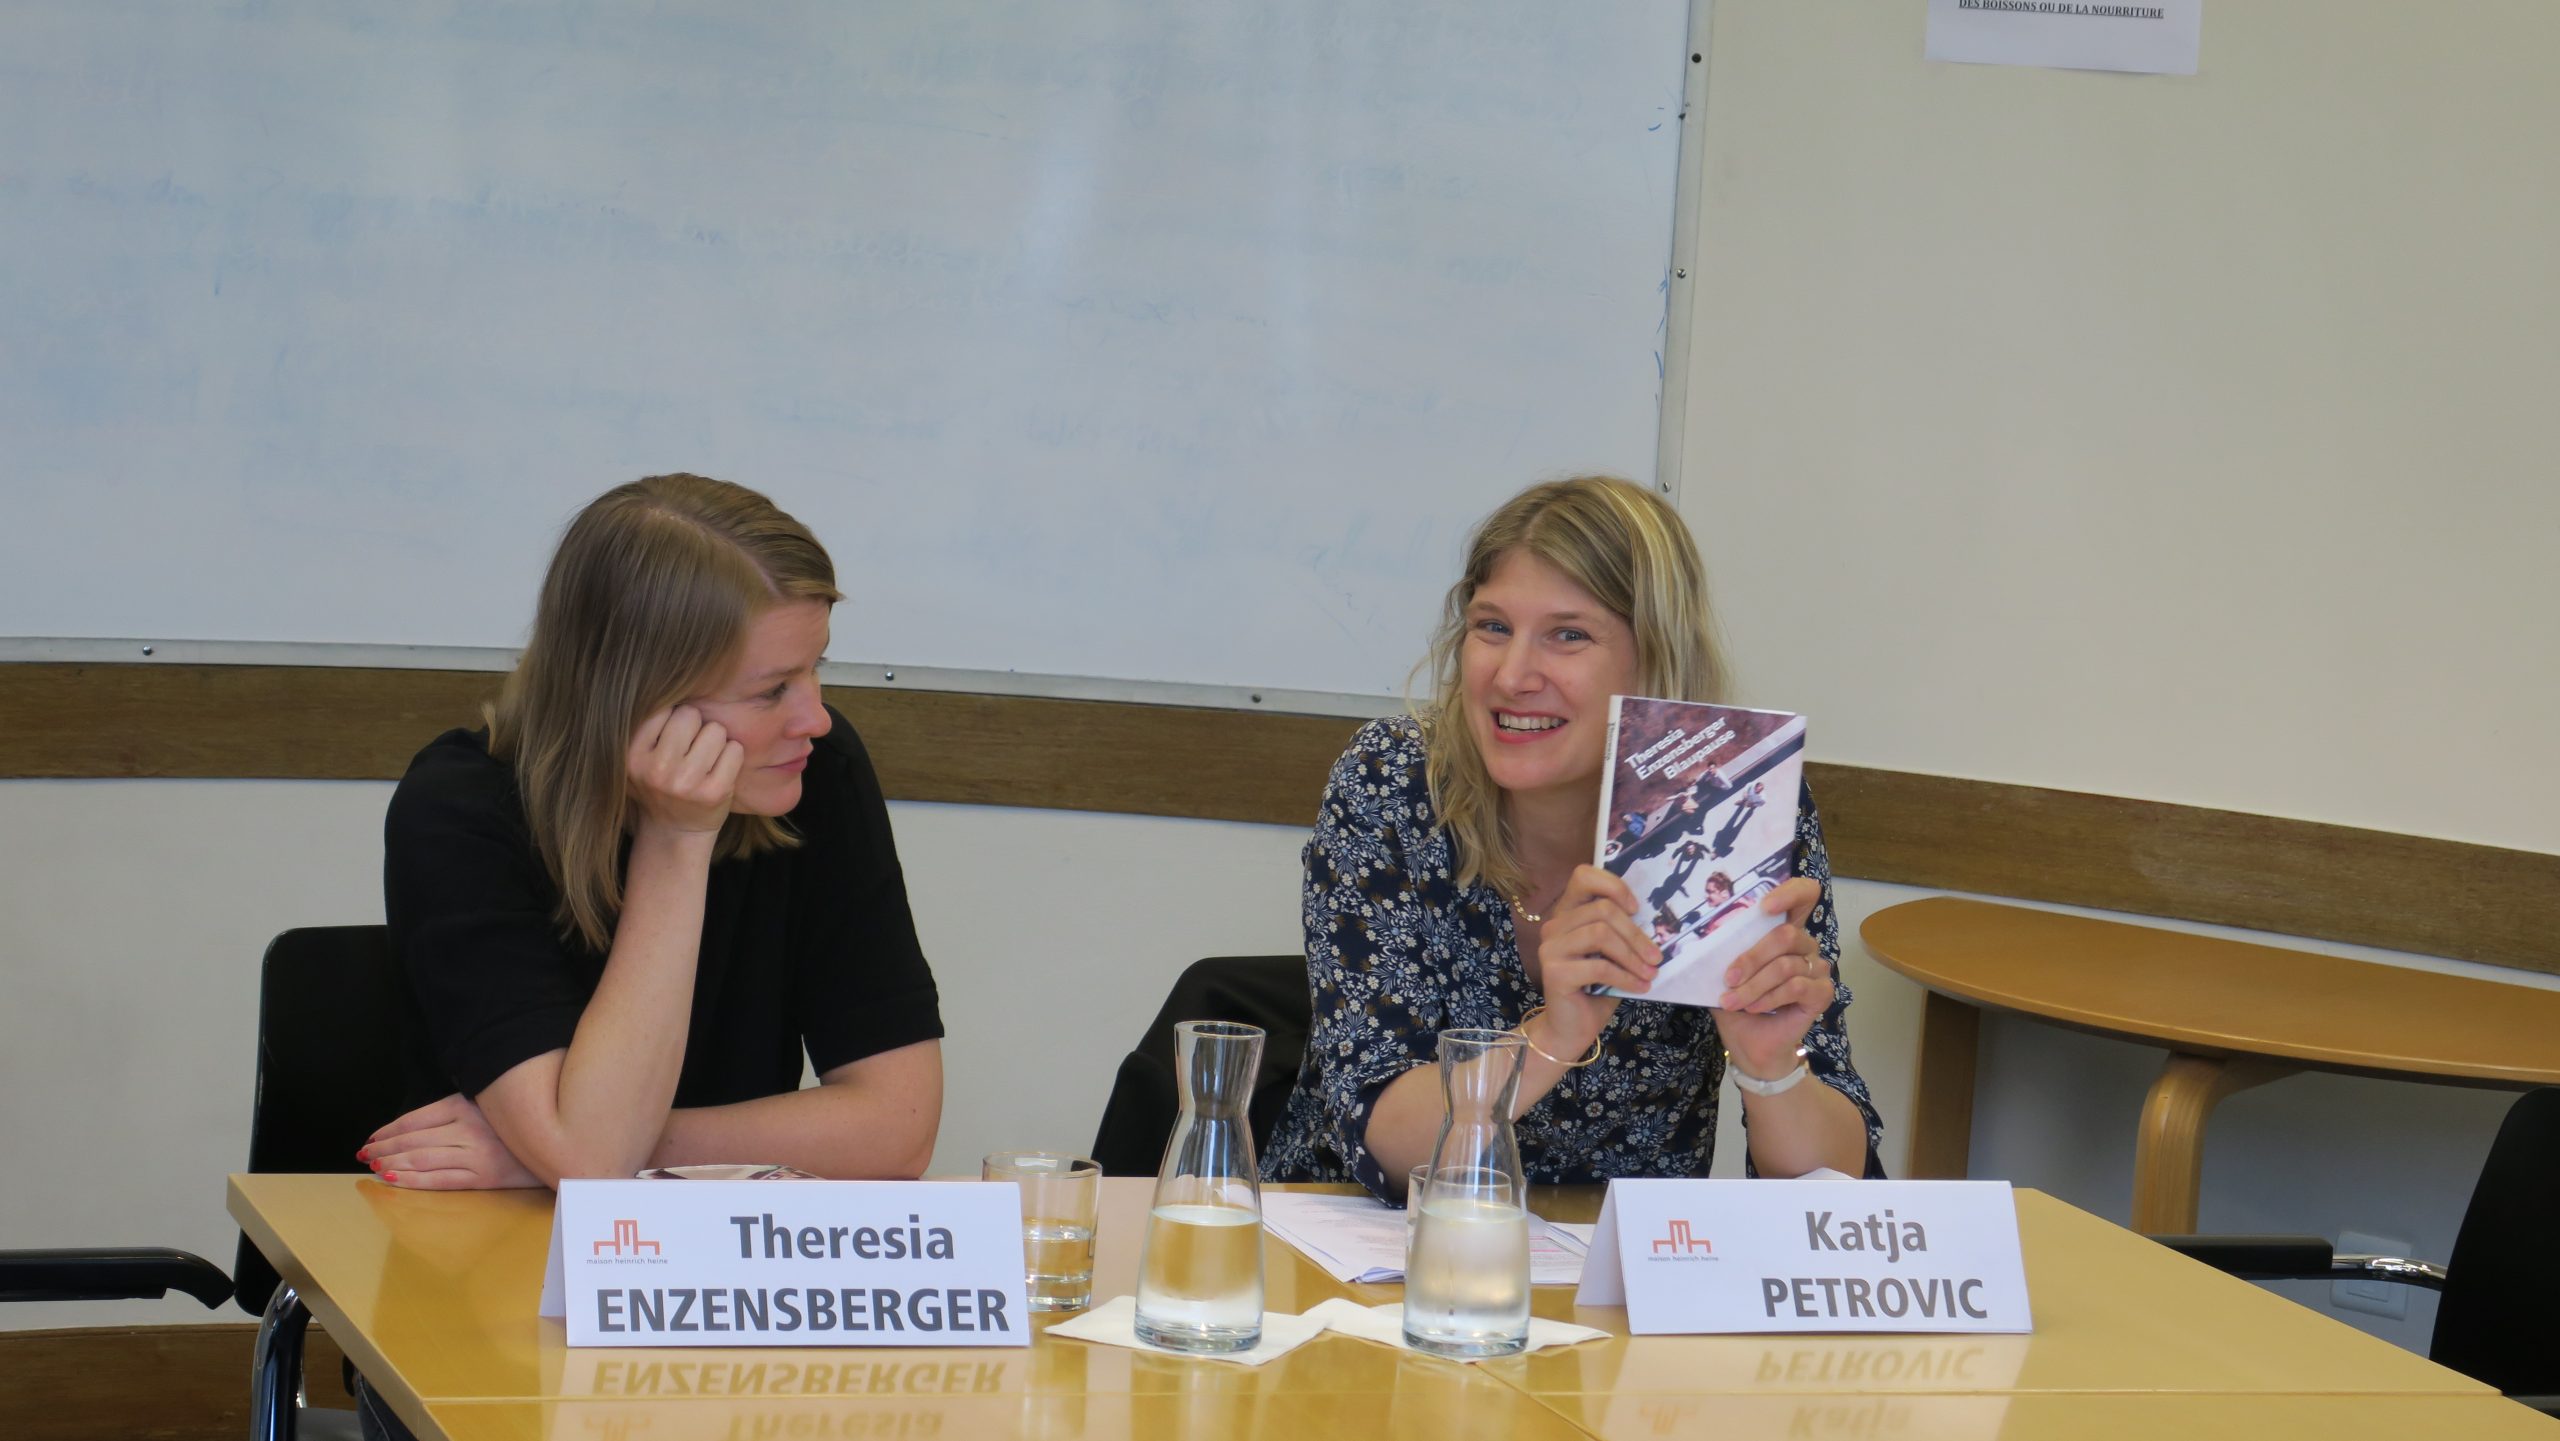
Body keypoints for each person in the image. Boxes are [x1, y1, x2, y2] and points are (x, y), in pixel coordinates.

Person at [1262, 476, 1880, 1198]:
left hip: (1610, 1257)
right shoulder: (1395, 783)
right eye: (1493, 627)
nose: (1513, 676)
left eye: (1568, 635)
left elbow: (1835, 1183)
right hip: (1360, 1238)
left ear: (1654, 657)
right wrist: (1551, 1038)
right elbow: (1386, 1144)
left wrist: (1771, 1066)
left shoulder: (1738, 805)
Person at [357, 474, 945, 1193]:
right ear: (635, 698)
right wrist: (678, 838)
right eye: (770, 690)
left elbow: (899, 1128)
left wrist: (565, 1150)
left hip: (715, 1241)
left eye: (814, 668)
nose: (815, 719)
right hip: (480, 1236)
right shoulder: (458, 811)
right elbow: (591, 1162)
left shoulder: (815, 770)